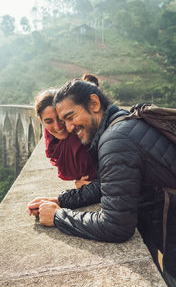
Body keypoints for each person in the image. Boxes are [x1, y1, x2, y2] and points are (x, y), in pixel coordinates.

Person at [28, 80, 176, 287]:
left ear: (94, 104)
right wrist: (62, 199)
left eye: (70, 117)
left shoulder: (115, 140)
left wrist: (58, 216)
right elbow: (109, 184)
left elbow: (116, 226)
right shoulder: (122, 123)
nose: (68, 128)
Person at [27, 88, 97, 216]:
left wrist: (92, 187)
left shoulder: (82, 138)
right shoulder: (53, 141)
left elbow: (110, 185)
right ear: (41, 121)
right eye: (49, 121)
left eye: (60, 119)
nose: (58, 127)